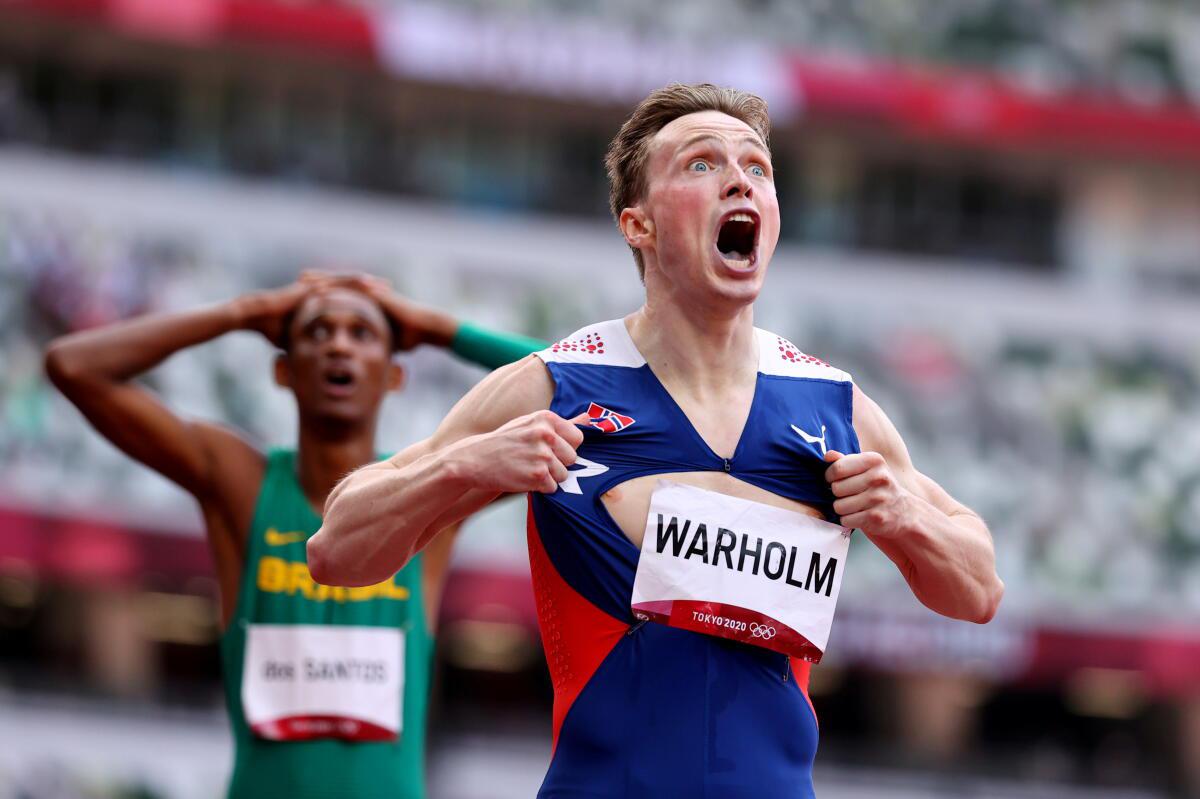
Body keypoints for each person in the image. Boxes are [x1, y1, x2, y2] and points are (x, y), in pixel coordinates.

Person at [310, 84, 1005, 798]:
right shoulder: (557, 384)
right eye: (702, 164)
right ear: (636, 224)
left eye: (758, 168)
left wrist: (905, 516)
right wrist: (465, 466)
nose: (739, 178)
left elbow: (978, 589)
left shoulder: (833, 405)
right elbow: (335, 548)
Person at [43, 271, 545, 799]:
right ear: (283, 372)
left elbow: (590, 391)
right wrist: (242, 312)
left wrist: (440, 329)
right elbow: (73, 366)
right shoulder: (240, 484)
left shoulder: (435, 485)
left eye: (362, 333)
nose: (339, 346)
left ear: (395, 376)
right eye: (318, 332)